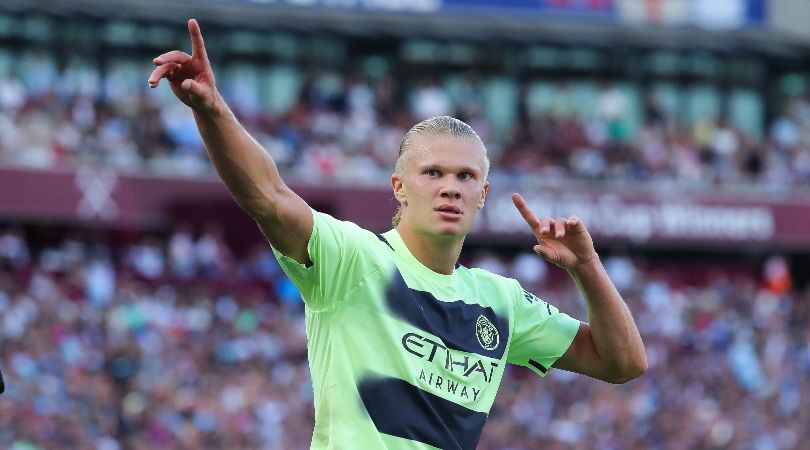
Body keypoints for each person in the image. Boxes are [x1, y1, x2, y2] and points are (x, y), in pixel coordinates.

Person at [148, 19, 646, 450]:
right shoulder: (353, 260)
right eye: (433, 173)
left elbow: (622, 362)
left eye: (465, 177)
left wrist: (588, 269)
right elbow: (269, 197)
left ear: (483, 195)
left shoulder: (501, 301)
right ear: (399, 187)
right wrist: (212, 111)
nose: (450, 188)